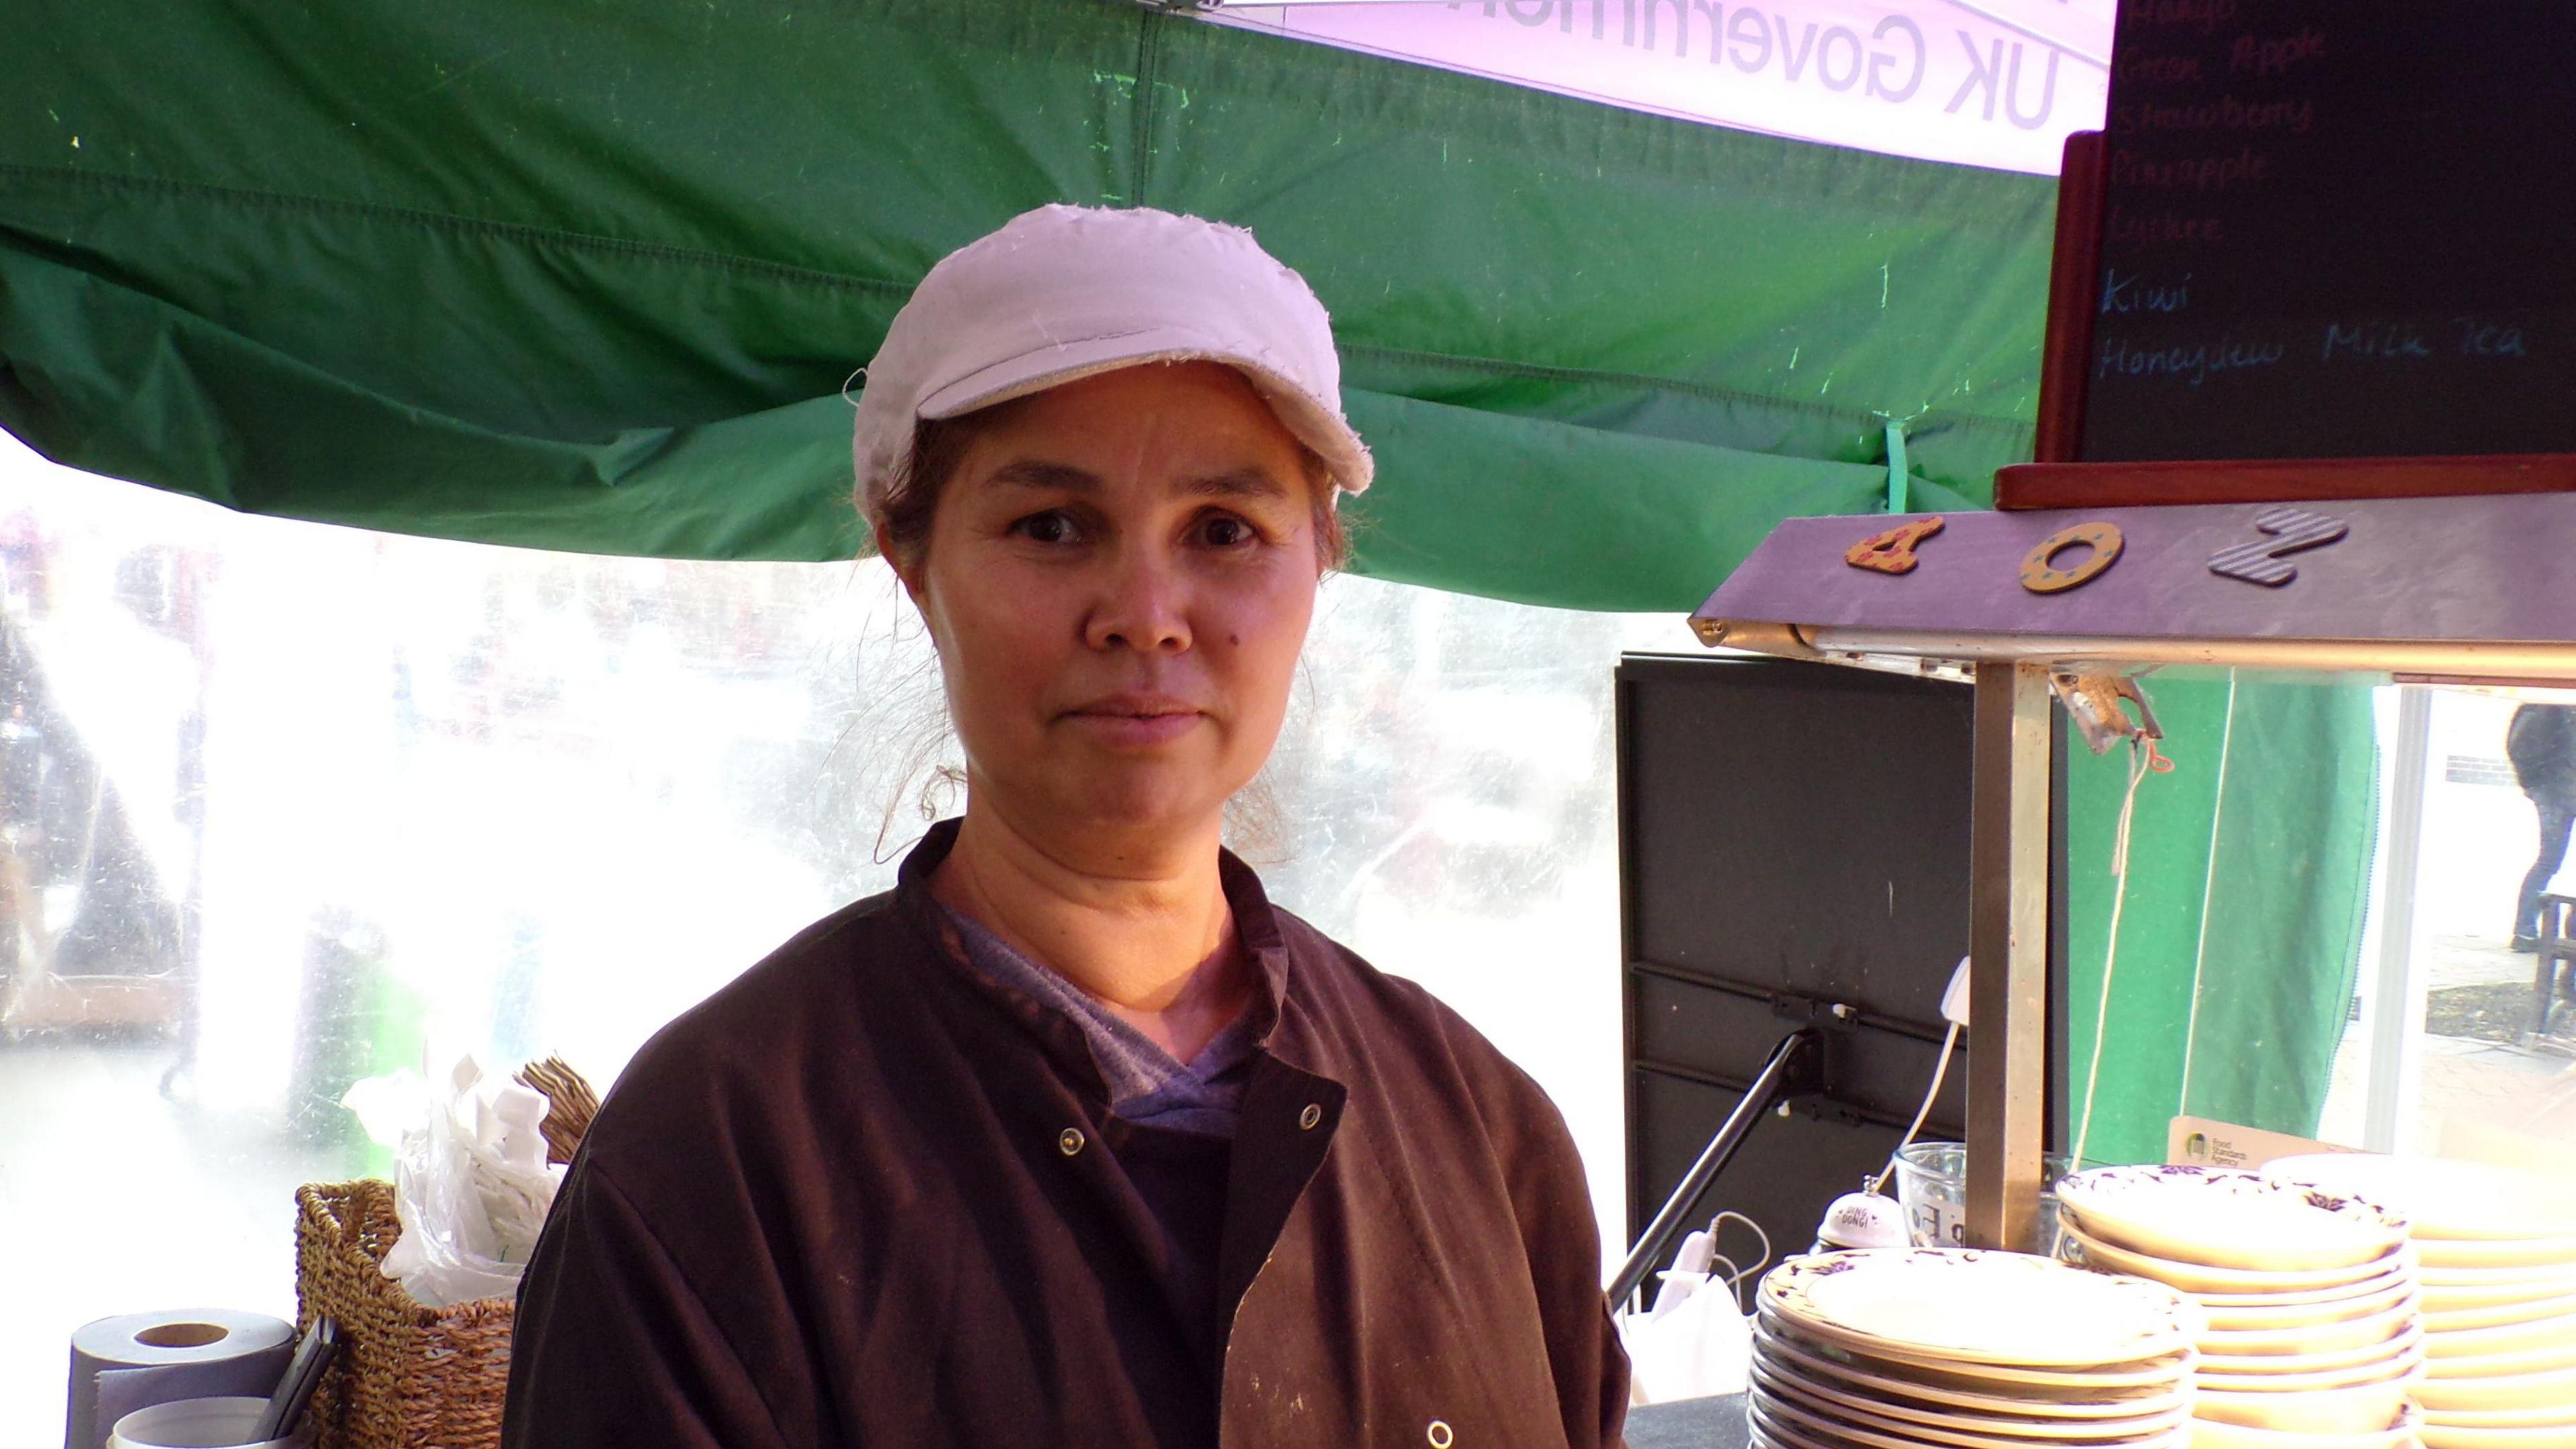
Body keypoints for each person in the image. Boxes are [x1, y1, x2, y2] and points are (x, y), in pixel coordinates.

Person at [502, 205, 1628, 1449]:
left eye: (1223, 530)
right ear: (912, 564)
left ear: (1319, 564)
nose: (1145, 614)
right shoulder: (709, 1167)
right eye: (1052, 527)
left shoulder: (1480, 1129)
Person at [2510, 703, 2576, 953]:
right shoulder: (2561, 704)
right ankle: (2526, 930)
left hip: (2552, 791)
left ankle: (2524, 931)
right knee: (2549, 862)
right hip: (2560, 791)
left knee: (2548, 861)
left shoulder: (2552, 703)